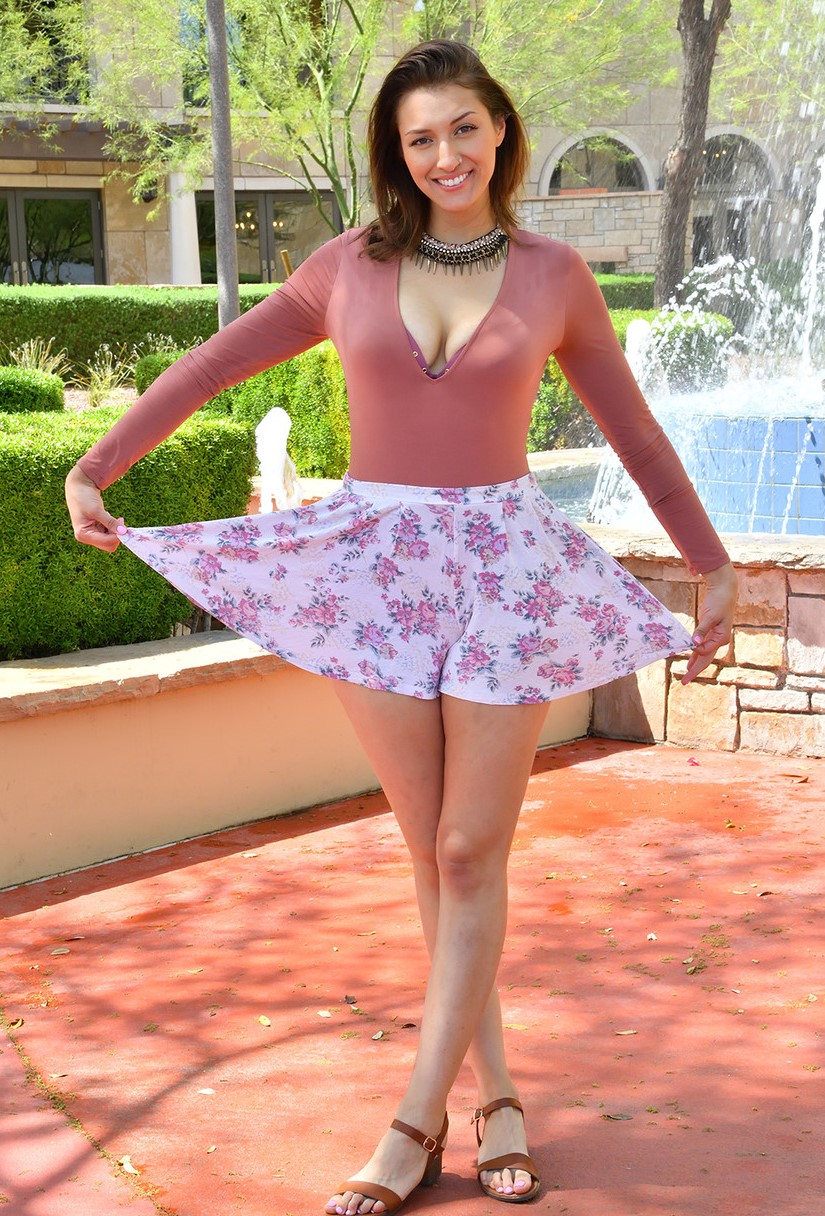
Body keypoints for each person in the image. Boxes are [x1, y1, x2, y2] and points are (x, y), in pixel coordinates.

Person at [65, 39, 737, 1216]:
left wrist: (712, 560)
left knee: (471, 850)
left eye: (464, 128)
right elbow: (215, 366)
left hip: (507, 572)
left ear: (501, 130)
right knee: (432, 850)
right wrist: (96, 464)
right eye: (421, 137)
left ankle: (412, 1123)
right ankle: (498, 1095)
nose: (445, 155)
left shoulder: (556, 275)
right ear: (398, 150)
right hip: (371, 573)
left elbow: (632, 430)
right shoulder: (345, 266)